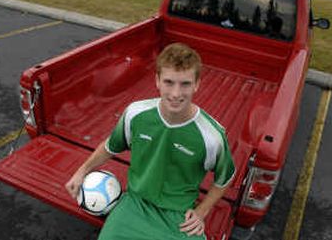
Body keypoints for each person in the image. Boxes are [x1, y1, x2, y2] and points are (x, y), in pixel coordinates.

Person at [65, 43, 236, 240]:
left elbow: (226, 177)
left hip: (178, 216)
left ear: (197, 84)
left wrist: (202, 211)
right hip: (134, 204)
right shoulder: (136, 114)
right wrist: (81, 171)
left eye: (185, 84)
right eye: (169, 82)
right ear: (157, 81)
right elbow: (110, 146)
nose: (175, 93)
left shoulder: (211, 136)